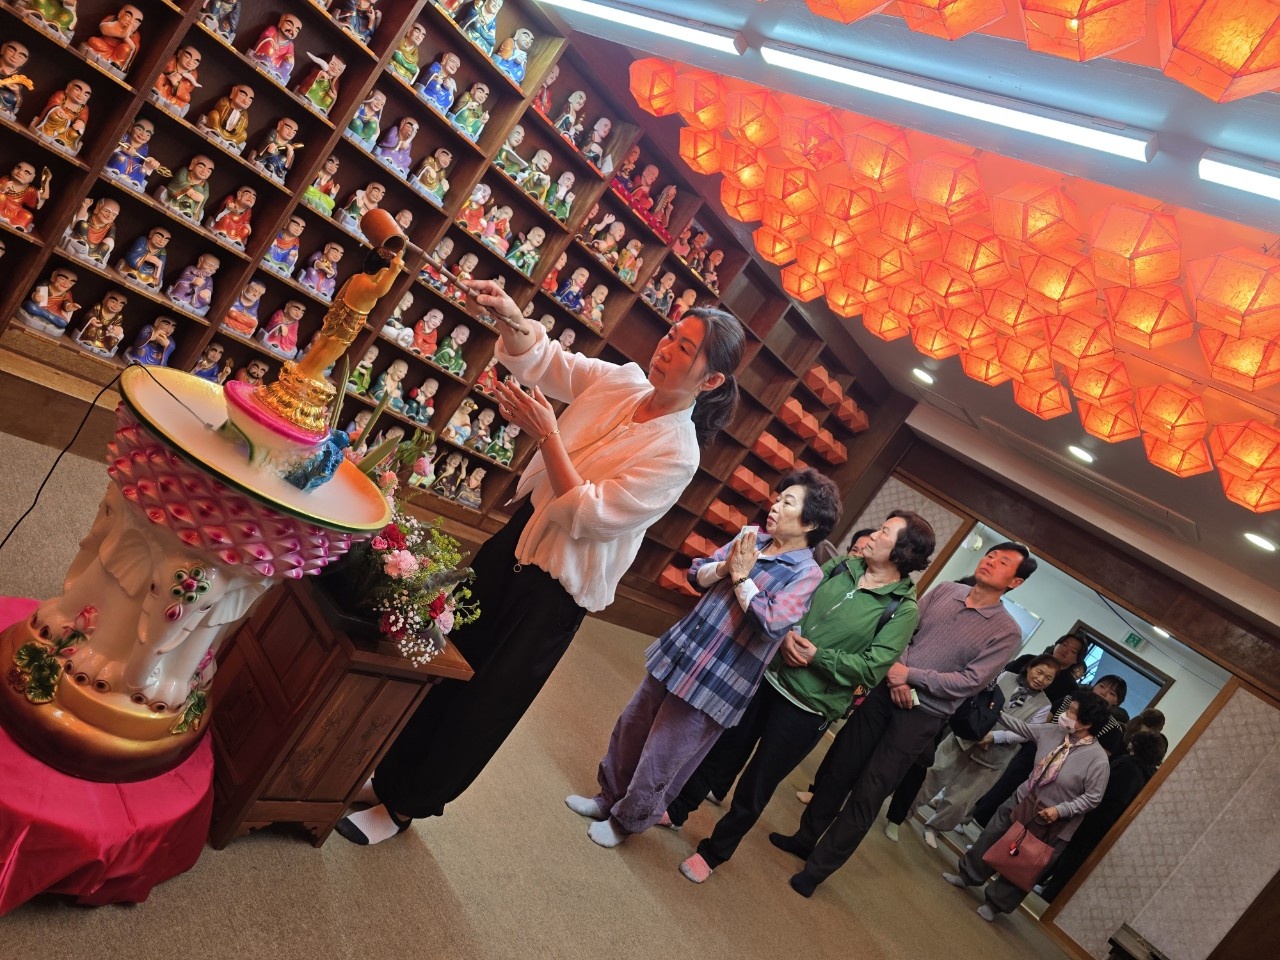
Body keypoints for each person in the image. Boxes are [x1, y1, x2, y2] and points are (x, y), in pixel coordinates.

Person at [334, 282, 746, 845]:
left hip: (555, 591)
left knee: (483, 703)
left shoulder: (678, 453)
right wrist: (511, 316)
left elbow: (593, 516)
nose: (666, 348)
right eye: (671, 334)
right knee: (444, 659)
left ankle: (407, 804)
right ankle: (389, 775)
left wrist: (549, 434)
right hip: (515, 541)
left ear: (711, 380)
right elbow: (551, 362)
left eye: (685, 348)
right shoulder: (625, 381)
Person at [567, 471, 839, 849]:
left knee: (664, 753)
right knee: (633, 725)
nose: (775, 506)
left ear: (809, 523)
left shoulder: (807, 573)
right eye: (778, 498)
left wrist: (741, 578)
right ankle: (607, 797)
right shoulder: (751, 537)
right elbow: (697, 573)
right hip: (683, 649)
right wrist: (726, 568)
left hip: (719, 678)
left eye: (787, 502)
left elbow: (773, 624)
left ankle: (625, 821)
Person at [673, 512, 935, 883]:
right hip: (769, 674)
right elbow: (796, 597)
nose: (874, 535)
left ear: (903, 550)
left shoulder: (903, 609)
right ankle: (679, 809)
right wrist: (787, 632)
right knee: (722, 750)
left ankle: (714, 853)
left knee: (758, 783)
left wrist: (817, 657)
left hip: (809, 706)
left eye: (885, 532)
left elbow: (871, 669)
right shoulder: (843, 565)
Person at [769, 542, 1036, 897]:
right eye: (990, 555)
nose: (990, 561)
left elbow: (971, 681)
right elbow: (902, 630)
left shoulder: (1006, 631)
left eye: (1002, 562)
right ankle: (804, 839)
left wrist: (908, 675)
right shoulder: (946, 590)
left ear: (1015, 582)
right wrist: (897, 676)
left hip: (923, 715)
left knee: (870, 791)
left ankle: (817, 869)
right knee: (839, 769)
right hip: (883, 695)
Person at [942, 691, 1112, 921]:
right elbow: (1022, 728)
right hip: (1024, 798)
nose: (1065, 713)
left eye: (1072, 711)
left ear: (1087, 723)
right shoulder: (1053, 731)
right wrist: (996, 711)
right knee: (992, 835)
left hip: (1054, 820)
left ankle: (995, 904)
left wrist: (1061, 810)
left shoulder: (1098, 760)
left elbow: (1093, 798)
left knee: (1024, 862)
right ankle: (968, 875)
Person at [908, 654, 1059, 848]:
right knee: (933, 774)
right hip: (965, 736)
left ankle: (934, 827)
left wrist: (993, 737)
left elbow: (1027, 733)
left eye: (1048, 678)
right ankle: (906, 809)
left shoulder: (1044, 705)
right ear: (1030, 667)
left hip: (994, 757)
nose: (1041, 679)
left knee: (962, 798)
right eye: (1039, 672)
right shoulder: (1005, 675)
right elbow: (980, 699)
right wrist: (978, 729)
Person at [970, 672, 1128, 829]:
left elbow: (1093, 785)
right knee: (1004, 793)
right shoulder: (1068, 704)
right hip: (1033, 756)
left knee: (1022, 827)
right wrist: (996, 712)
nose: (1103, 692)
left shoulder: (1110, 734)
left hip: (1059, 782)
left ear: (1118, 702)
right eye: (1102, 686)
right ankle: (980, 821)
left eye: (1112, 693)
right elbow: (1033, 728)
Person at [795, 527, 876, 806]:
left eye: (866, 551)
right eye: (856, 550)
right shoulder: (837, 568)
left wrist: (817, 656)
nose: (859, 555)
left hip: (821, 692)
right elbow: (802, 599)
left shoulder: (891, 606)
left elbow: (869, 664)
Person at [1038, 729, 1166, 901]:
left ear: (1139, 746)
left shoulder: (1128, 766)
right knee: (1075, 861)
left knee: (1069, 854)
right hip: (1107, 826)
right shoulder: (1147, 775)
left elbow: (1102, 790)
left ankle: (1045, 888)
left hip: (1093, 818)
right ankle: (1050, 893)